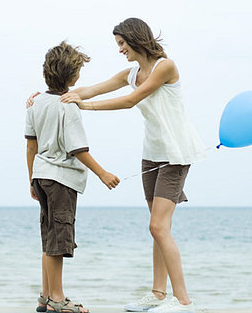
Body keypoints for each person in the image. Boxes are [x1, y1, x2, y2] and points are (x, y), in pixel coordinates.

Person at [27, 19, 205, 313]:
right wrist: (46, 97)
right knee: (157, 228)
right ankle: (158, 294)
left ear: (137, 39)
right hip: (153, 153)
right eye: (118, 44)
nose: (120, 49)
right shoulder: (130, 73)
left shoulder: (165, 66)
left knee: (158, 226)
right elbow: (91, 89)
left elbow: (131, 100)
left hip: (176, 152)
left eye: (122, 43)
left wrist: (85, 106)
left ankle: (183, 301)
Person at [26, 41, 120, 313]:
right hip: (61, 181)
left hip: (41, 177)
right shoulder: (69, 106)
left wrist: (31, 178)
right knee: (58, 241)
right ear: (74, 77)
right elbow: (78, 148)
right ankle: (58, 298)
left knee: (49, 237)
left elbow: (31, 145)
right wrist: (103, 174)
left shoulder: (35, 104)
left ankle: (45, 295)